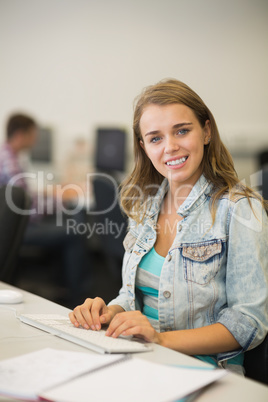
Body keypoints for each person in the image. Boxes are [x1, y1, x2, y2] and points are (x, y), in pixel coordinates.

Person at [69, 79, 268, 373]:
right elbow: (131, 294)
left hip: (199, 367)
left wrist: (160, 339)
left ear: (206, 131)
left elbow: (248, 322)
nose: (170, 147)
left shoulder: (239, 208)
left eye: (182, 131)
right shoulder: (145, 204)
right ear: (144, 147)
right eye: (155, 138)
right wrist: (110, 312)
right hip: (138, 353)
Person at [0, 113, 91, 306]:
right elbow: (29, 210)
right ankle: (78, 300)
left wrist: (55, 193)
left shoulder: (8, 155)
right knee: (75, 231)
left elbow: (25, 196)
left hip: (15, 225)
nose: (36, 139)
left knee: (64, 222)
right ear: (20, 135)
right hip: (16, 230)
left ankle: (60, 286)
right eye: (33, 134)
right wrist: (62, 199)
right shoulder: (10, 162)